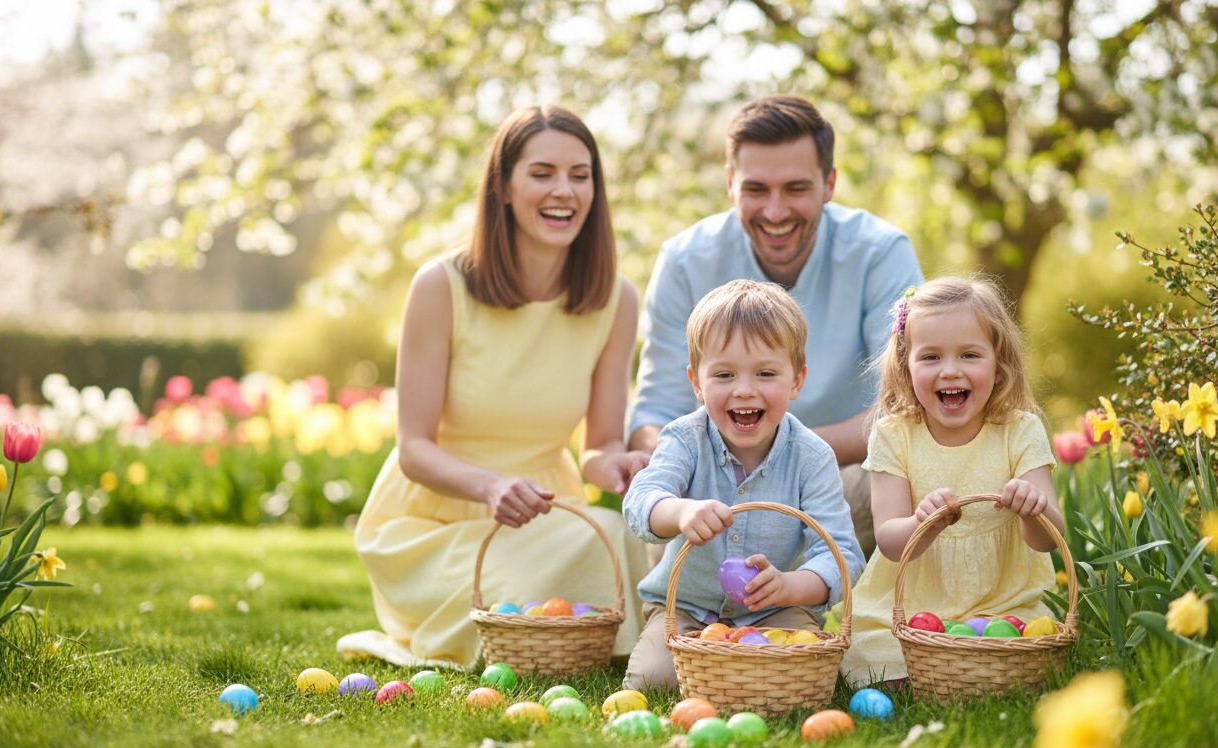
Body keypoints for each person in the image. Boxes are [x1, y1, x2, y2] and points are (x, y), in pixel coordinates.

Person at [338, 105, 650, 668]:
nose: (565, 191)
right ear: (503, 187)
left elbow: (599, 445)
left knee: (619, 535)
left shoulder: (616, 299)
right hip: (432, 526)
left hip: (548, 518)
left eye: (581, 175)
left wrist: (622, 465)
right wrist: (489, 487)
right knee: (531, 580)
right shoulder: (442, 286)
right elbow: (413, 448)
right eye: (543, 173)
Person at [628, 94, 924, 556]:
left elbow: (901, 409)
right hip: (713, 480)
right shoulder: (685, 261)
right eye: (756, 189)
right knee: (665, 494)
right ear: (730, 184)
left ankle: (880, 626)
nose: (775, 210)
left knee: (903, 481)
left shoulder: (879, 253)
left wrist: (779, 453)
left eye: (796, 188)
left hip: (843, 476)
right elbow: (653, 413)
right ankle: (679, 628)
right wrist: (686, 461)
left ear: (829, 184)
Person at [620, 279, 865, 690]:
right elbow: (641, 500)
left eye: (766, 373)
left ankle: (757, 661)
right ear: (696, 383)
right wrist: (681, 511)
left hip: (776, 609)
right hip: (685, 609)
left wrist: (789, 586)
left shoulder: (812, 455)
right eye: (724, 374)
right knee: (655, 679)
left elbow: (841, 554)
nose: (744, 390)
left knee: (797, 679)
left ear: (796, 380)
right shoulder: (685, 438)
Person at [840, 276, 1065, 685]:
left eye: (969, 355)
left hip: (1004, 600)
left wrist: (1035, 509)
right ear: (906, 370)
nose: (949, 370)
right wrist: (920, 524)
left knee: (1029, 637)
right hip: (913, 605)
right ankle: (934, 668)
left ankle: (960, 665)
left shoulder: (1020, 431)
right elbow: (890, 540)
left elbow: (1050, 537)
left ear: (1000, 367)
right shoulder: (893, 434)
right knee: (873, 650)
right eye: (930, 357)